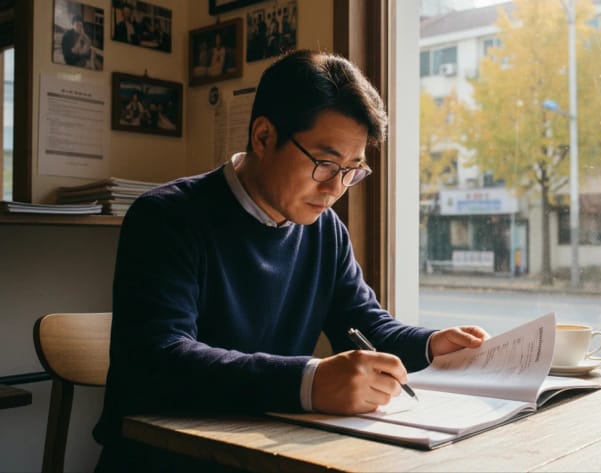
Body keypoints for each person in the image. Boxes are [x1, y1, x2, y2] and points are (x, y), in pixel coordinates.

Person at [93, 49, 488, 471]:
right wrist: (309, 382)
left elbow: (365, 328)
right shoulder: (167, 217)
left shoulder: (326, 231)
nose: (336, 187)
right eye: (325, 163)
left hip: (266, 456)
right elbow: (159, 359)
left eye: (353, 169)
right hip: (164, 460)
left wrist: (433, 346)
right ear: (263, 137)